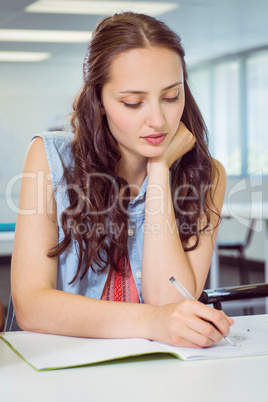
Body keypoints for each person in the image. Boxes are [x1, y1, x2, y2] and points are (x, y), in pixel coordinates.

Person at [8, 12, 233, 348]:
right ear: (98, 100)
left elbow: (167, 298)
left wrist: (159, 169)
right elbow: (32, 306)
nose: (158, 120)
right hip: (57, 367)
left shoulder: (207, 175)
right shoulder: (50, 157)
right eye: (132, 102)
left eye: (172, 96)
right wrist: (153, 321)